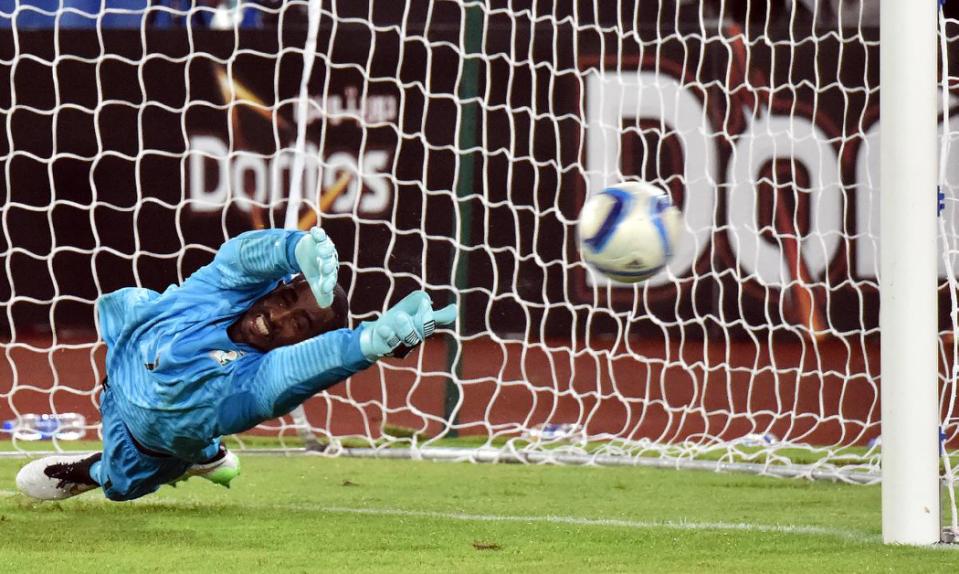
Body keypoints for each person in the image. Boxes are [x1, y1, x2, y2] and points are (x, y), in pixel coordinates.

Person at [15, 227, 455, 502]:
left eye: (298, 324)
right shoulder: (224, 290)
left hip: (144, 440)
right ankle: (206, 453)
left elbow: (293, 374)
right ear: (274, 289)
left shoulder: (252, 383)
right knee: (132, 304)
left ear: (302, 342)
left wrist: (367, 343)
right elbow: (242, 257)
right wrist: (295, 247)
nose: (277, 317)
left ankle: (97, 469)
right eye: (284, 300)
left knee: (120, 485)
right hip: (124, 355)